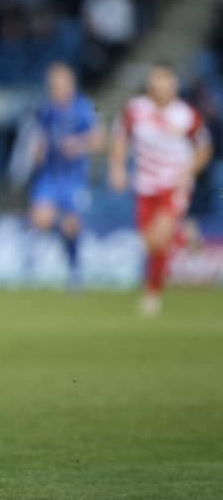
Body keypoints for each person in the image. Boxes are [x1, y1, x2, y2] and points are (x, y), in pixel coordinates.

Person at [109, 62, 212, 316]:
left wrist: (189, 171)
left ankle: (152, 295)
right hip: (145, 186)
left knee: (160, 238)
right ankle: (185, 234)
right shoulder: (135, 110)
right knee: (150, 243)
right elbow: (121, 139)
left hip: (174, 183)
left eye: (167, 81)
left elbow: (205, 149)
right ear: (151, 83)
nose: (162, 86)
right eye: (158, 80)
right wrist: (118, 168)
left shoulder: (187, 115)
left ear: (174, 85)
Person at [28, 62, 104, 287]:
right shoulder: (46, 110)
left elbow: (100, 140)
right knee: (40, 220)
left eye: (60, 83)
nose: (56, 88)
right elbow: (40, 137)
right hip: (50, 175)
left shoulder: (86, 108)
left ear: (71, 84)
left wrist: (79, 144)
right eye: (52, 84)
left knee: (72, 226)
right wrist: (38, 152)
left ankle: (74, 270)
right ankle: (61, 229)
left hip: (74, 178)